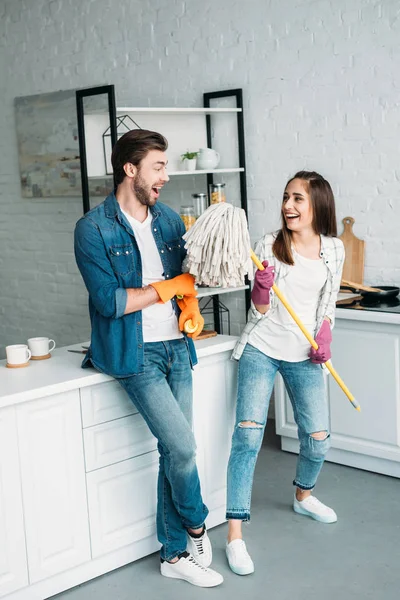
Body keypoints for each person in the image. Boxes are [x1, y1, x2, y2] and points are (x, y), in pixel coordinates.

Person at [74, 129, 223, 588]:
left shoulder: (170, 222)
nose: (166, 175)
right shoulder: (93, 228)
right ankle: (197, 523)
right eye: (158, 166)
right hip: (133, 354)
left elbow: (185, 279)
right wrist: (165, 290)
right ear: (130, 169)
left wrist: (190, 304)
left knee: (171, 450)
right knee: (183, 446)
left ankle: (173, 554)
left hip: (177, 346)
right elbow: (109, 302)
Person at [225, 171, 345, 576]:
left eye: (298, 199)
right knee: (247, 436)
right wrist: (260, 289)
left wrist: (324, 334)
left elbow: (328, 303)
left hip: (305, 355)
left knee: (319, 438)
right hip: (261, 348)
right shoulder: (268, 244)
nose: (288, 206)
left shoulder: (333, 249)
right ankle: (235, 536)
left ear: (317, 206)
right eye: (285, 197)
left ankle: (303, 495)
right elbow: (259, 310)